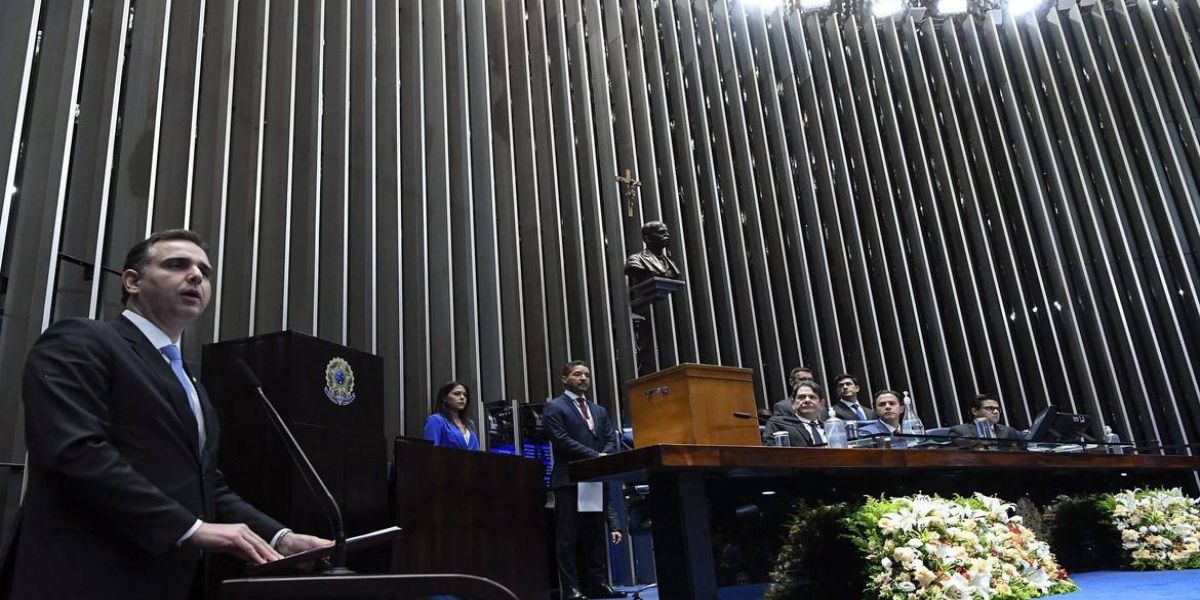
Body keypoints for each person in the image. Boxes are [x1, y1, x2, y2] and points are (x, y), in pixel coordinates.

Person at [9, 230, 330, 600]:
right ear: (132, 282)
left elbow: (205, 486)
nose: (195, 276)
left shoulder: (190, 381)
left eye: (204, 272)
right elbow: (75, 452)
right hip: (86, 576)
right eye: (177, 265)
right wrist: (190, 528)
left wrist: (280, 538)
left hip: (170, 582)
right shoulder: (81, 340)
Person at [542, 361, 621, 600]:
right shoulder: (554, 407)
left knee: (594, 535)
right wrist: (595, 456)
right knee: (567, 538)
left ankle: (599, 584)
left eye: (587, 374)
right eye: (577, 374)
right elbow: (561, 439)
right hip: (568, 480)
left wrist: (603, 456)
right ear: (564, 379)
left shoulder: (599, 410)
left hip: (592, 479)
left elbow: (610, 438)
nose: (584, 378)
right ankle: (571, 588)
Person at [764, 380, 827, 447]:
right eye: (801, 397)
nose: (807, 400)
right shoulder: (778, 424)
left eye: (812, 397)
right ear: (793, 403)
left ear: (822, 404)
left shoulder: (829, 428)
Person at [948, 394, 1023, 448]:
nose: (996, 412)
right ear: (975, 411)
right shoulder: (959, 431)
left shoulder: (1009, 431)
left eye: (998, 409)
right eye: (989, 408)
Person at [423, 381, 480, 450]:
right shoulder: (435, 420)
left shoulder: (470, 423)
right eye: (457, 394)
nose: (462, 397)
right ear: (444, 398)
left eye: (465, 395)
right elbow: (430, 451)